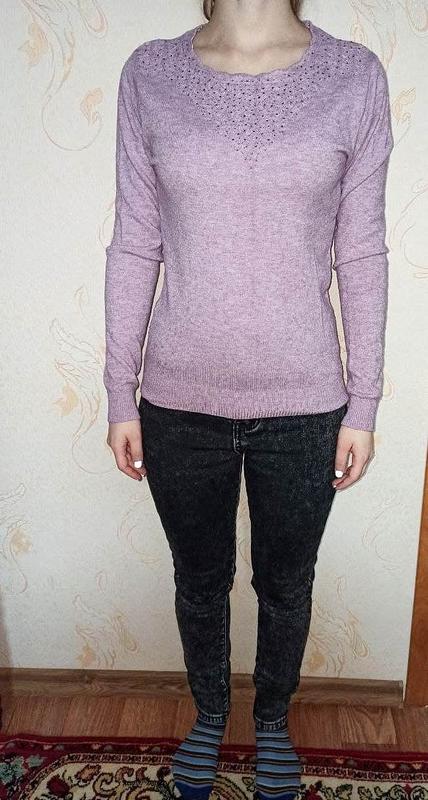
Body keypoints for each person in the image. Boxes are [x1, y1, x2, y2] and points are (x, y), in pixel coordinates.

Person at [103, 1, 394, 799]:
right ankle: (208, 713)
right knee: (199, 579)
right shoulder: (150, 74)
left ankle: (270, 720)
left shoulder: (354, 78)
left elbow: (361, 251)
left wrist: (364, 402)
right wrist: (119, 392)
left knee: (286, 584)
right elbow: (135, 240)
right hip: (177, 401)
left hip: (306, 405)